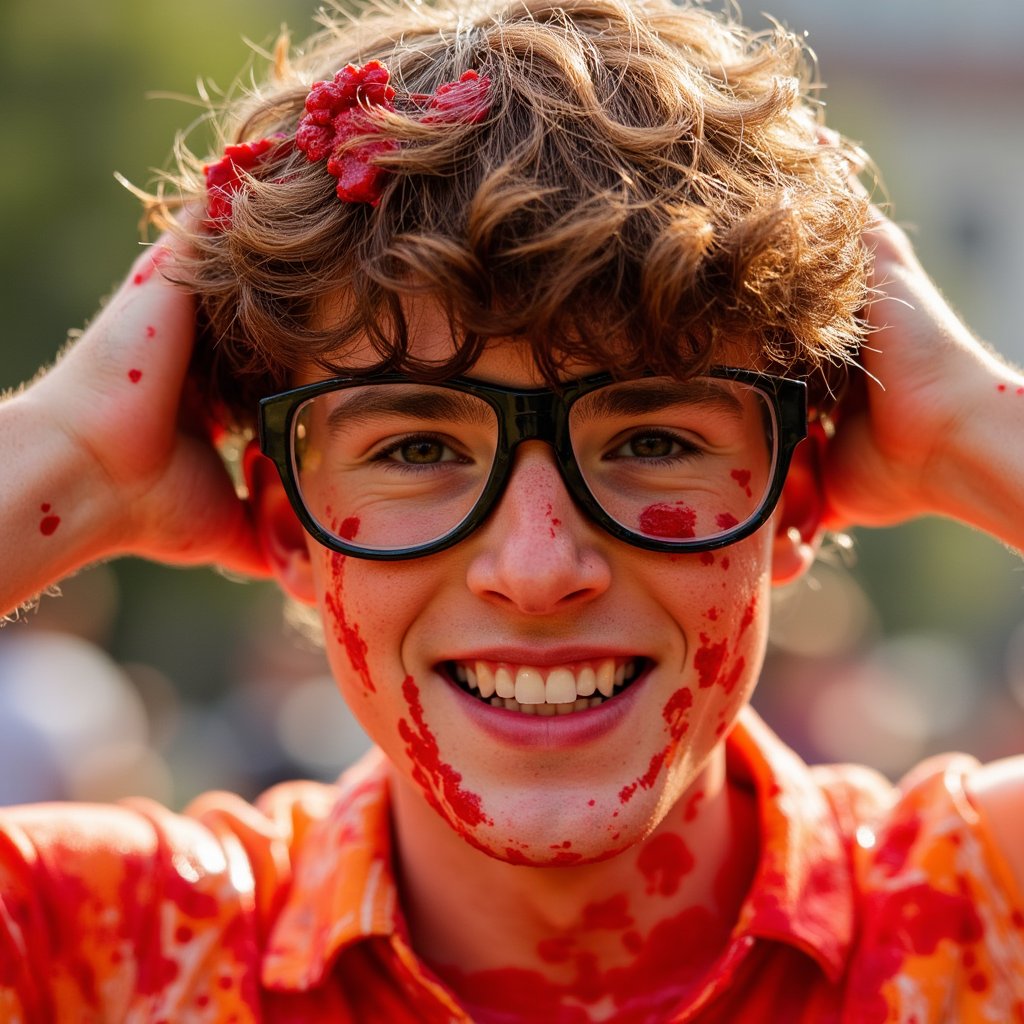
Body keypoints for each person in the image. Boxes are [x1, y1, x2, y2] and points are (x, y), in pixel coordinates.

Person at [2, 0, 1023, 1019]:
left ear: (789, 499)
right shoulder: (95, 952)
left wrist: (969, 426)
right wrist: (73, 454)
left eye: (652, 442)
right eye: (415, 449)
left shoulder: (984, 915)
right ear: (287, 526)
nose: (537, 571)